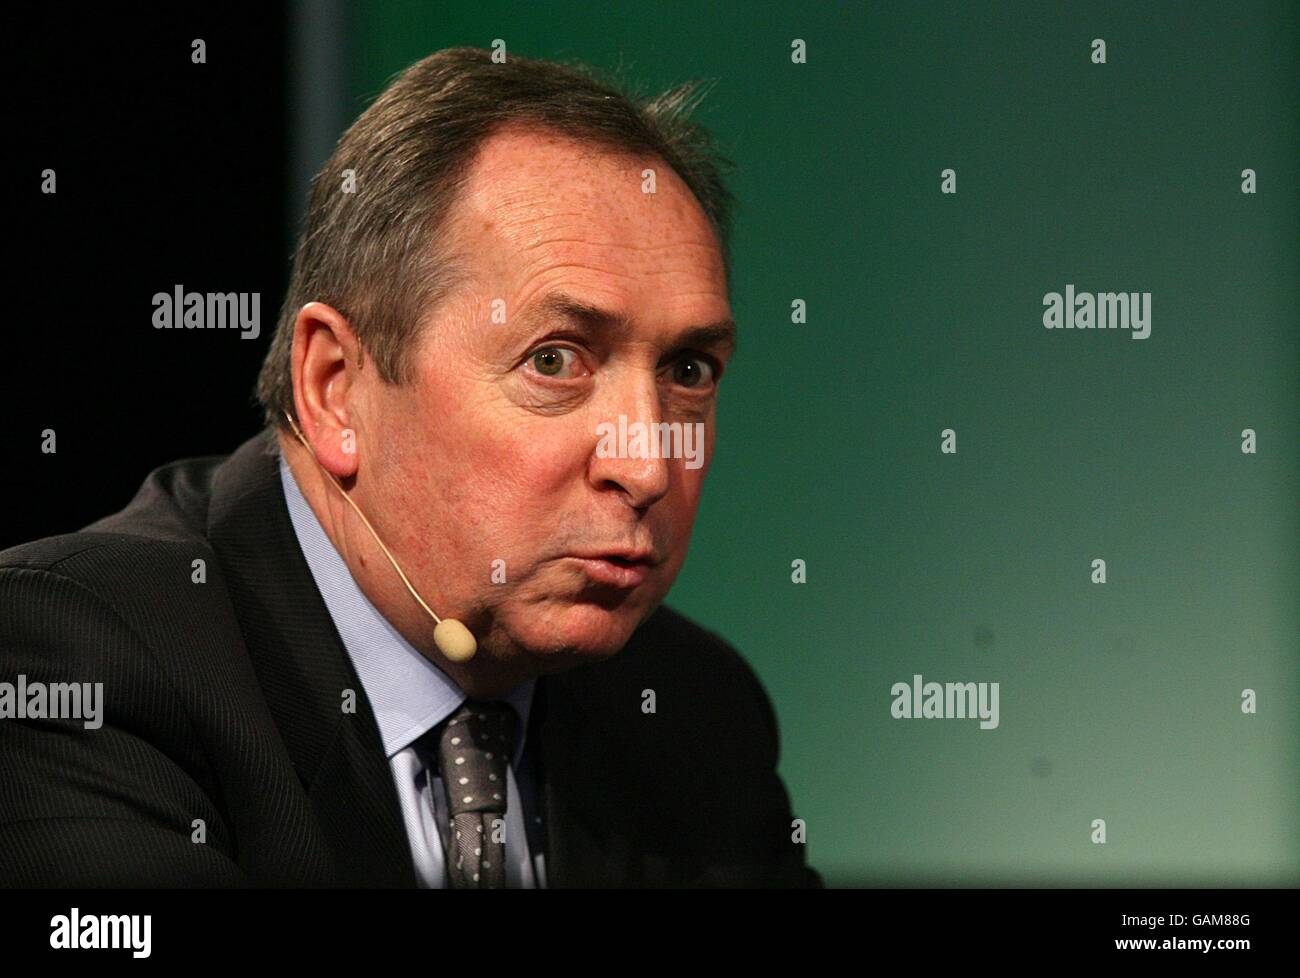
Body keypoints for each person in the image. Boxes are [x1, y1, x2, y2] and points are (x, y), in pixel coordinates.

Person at [0, 47, 820, 888]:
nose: (647, 466)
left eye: (687, 373)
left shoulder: (693, 712)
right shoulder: (76, 660)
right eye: (556, 361)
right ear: (334, 388)